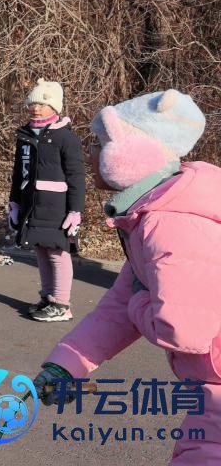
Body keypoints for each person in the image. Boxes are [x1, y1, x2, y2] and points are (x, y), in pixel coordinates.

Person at [33, 90, 220, 465]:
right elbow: (120, 305)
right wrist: (67, 363)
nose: (90, 153)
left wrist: (138, 302)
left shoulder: (168, 223)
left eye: (100, 143)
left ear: (130, 154)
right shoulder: (155, 212)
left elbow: (183, 330)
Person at [8, 78, 85, 322]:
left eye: (42, 104)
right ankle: (48, 298)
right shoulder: (25, 136)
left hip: (57, 208)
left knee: (57, 253)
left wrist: (76, 210)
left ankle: (62, 304)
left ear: (54, 107)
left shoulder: (66, 138)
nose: (36, 108)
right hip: (32, 204)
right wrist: (15, 202)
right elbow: (18, 172)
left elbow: (76, 176)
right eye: (32, 104)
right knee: (40, 250)